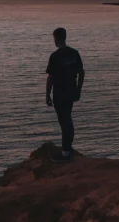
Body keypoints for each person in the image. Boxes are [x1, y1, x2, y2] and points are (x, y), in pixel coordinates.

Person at [45, 27, 85, 162]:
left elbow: (51, 77)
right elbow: (81, 73)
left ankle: (66, 152)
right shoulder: (74, 53)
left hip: (60, 93)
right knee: (67, 119)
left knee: (65, 121)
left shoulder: (55, 56)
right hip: (71, 92)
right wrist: (78, 89)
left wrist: (47, 95)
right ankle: (68, 148)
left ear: (56, 38)